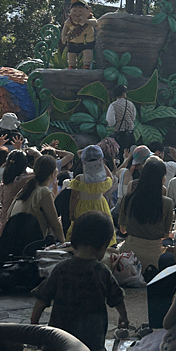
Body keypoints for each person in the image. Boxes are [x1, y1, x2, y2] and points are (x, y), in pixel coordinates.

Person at [31, 211, 128, 351]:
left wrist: (34, 325)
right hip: (91, 342)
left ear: (74, 240)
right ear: (104, 245)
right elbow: (117, 298)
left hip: (58, 341)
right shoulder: (101, 271)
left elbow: (41, 299)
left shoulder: (61, 268)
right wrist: (123, 318)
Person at [119, 158, 173, 272]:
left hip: (129, 255)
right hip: (154, 257)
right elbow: (165, 234)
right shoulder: (167, 203)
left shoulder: (128, 198)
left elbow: (123, 229)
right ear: (162, 179)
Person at [66, 145, 116, 246]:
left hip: (83, 207)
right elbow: (111, 178)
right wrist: (103, 165)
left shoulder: (80, 178)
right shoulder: (103, 180)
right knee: (100, 229)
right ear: (101, 161)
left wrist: (71, 211)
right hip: (100, 206)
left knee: (84, 229)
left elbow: (74, 197)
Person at [9, 154, 65, 242]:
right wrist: (63, 243)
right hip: (32, 244)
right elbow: (55, 225)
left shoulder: (25, 190)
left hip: (15, 243)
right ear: (53, 173)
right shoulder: (43, 192)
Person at [0, 148, 38, 235]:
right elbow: (43, 169)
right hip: (17, 221)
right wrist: (37, 154)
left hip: (4, 221)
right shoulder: (22, 179)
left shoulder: (4, 183)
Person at [61, 0, 97, 69]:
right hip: (73, 41)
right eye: (74, 11)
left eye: (80, 11)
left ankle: (87, 65)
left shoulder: (89, 18)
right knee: (71, 53)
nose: (77, 13)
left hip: (86, 42)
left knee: (87, 52)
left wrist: (86, 21)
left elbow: (95, 22)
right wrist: (63, 37)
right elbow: (64, 30)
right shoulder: (69, 21)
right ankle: (72, 65)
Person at [106, 85, 136, 162]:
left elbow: (111, 122)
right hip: (130, 135)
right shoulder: (131, 104)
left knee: (120, 157)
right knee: (130, 157)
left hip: (120, 136)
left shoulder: (113, 105)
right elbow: (133, 118)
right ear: (123, 93)